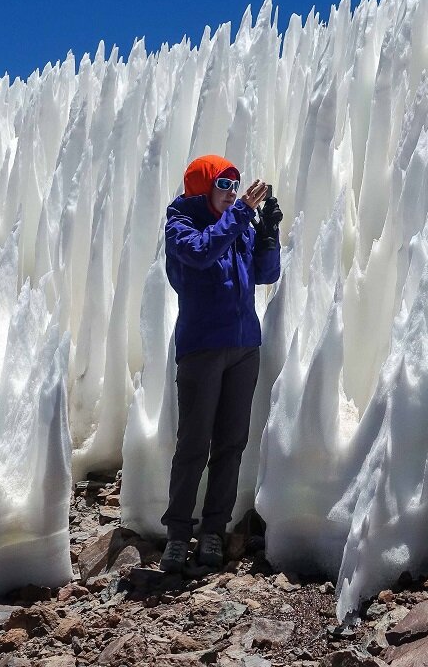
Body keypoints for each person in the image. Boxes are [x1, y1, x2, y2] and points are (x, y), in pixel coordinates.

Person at [159, 154, 283, 573]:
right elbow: (200, 253)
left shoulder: (237, 224)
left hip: (243, 346)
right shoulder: (181, 224)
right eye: (224, 185)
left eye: (236, 186)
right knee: (194, 443)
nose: (232, 193)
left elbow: (265, 276)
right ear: (202, 186)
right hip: (202, 347)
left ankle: (214, 528)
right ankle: (178, 534)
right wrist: (244, 214)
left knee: (230, 444)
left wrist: (268, 234)